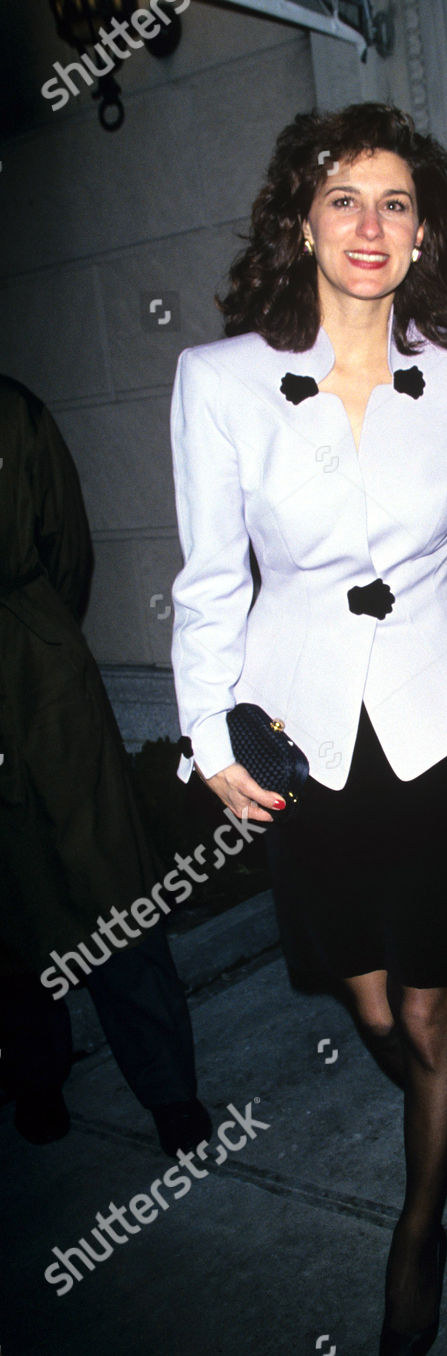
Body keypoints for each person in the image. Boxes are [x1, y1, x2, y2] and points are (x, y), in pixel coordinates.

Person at [169, 104, 447, 1356]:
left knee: (432, 1006)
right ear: (301, 221)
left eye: (394, 203)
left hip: (444, 729)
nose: (369, 226)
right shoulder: (218, 382)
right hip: (304, 734)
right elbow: (211, 578)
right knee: (371, 1010)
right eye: (342, 201)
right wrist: (209, 737)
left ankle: (418, 1229)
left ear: (424, 227)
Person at [0, 375, 210, 1158]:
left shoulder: (16, 412)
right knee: (10, 897)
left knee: (105, 877)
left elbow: (66, 550)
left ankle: (168, 1090)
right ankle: (35, 1073)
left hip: (36, 671)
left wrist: (39, 637)